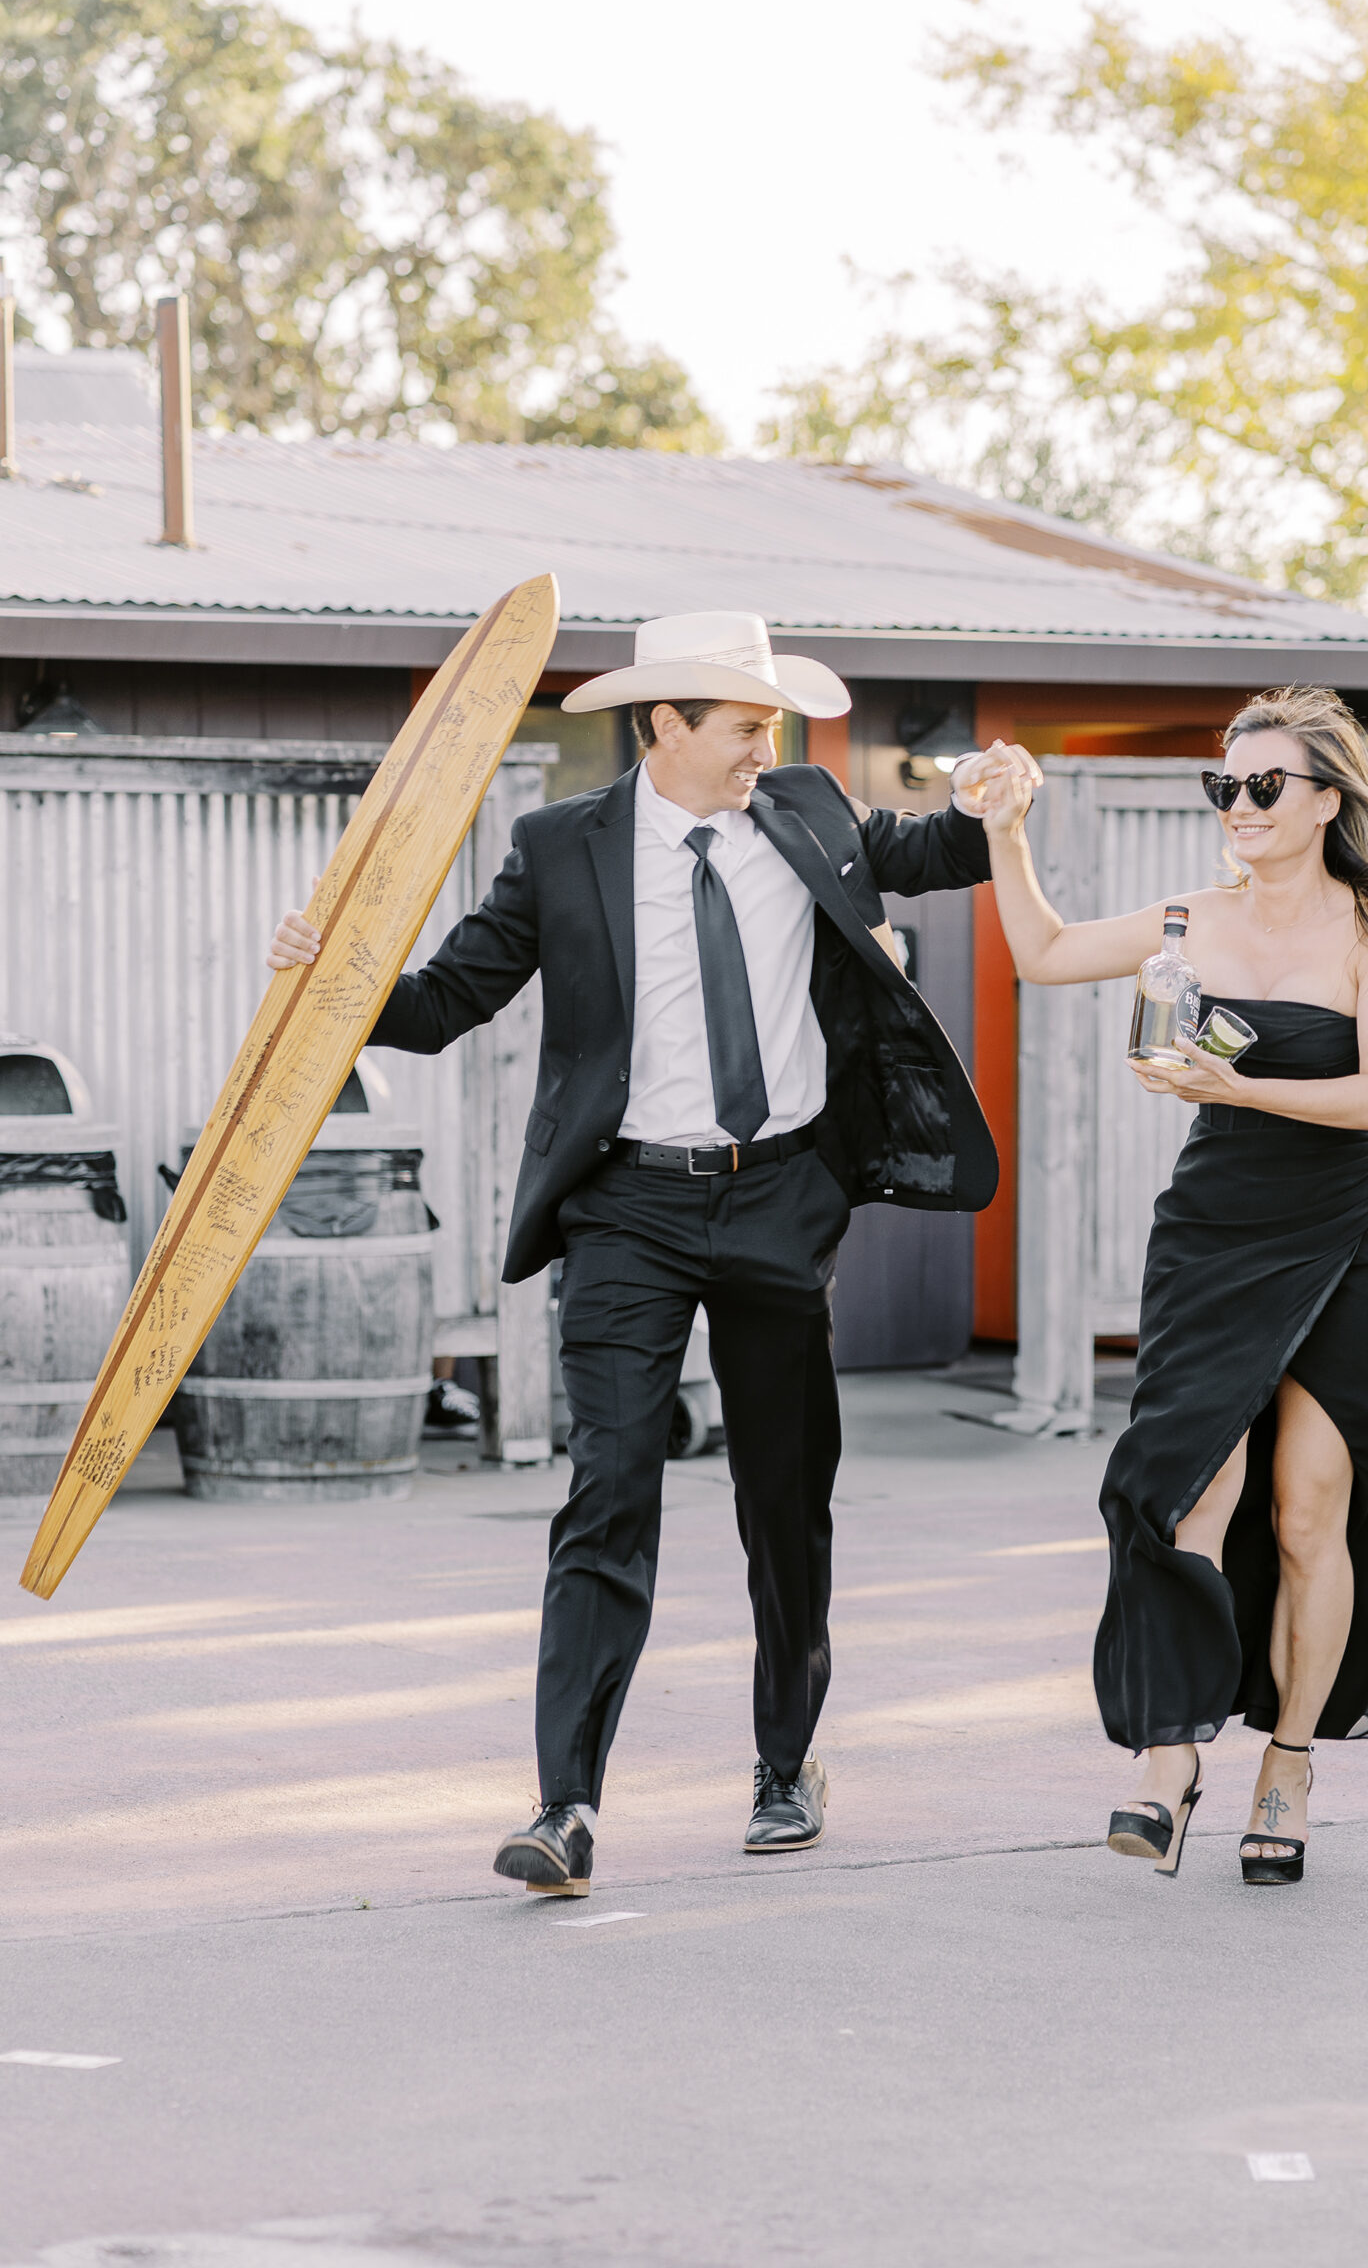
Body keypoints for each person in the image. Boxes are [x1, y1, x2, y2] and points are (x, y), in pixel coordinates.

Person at [267, 611, 999, 1896]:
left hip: (779, 1197)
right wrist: (334, 981)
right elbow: (450, 1000)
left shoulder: (813, 808)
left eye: (771, 722)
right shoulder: (562, 845)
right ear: (663, 723)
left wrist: (999, 800)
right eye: (744, 724)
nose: (764, 746)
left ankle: (786, 1762)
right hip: (625, 1210)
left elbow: (935, 847)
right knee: (609, 1492)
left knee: (785, 1498)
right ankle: (567, 1805)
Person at [979, 688, 1368, 1885]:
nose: (1238, 806)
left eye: (1263, 786)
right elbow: (1041, 955)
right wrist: (1005, 827)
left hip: (1342, 1239)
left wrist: (1238, 1088)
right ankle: (1168, 1752)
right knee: (1186, 1484)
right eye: (1224, 787)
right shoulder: (1193, 918)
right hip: (1210, 1232)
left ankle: (1287, 1765)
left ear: (1324, 803)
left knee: (1307, 1513)